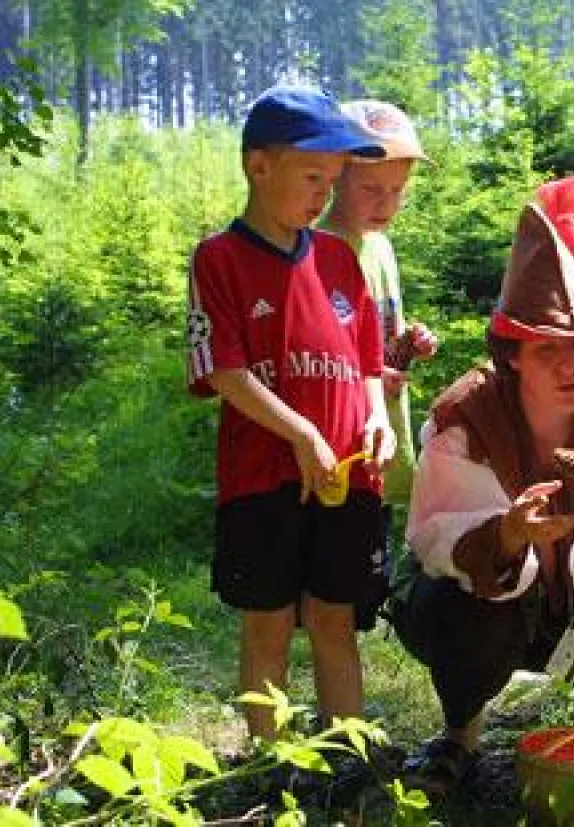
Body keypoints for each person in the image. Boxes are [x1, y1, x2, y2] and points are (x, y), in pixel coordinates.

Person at [391, 174, 574, 799]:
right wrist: (506, 534)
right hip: (481, 611)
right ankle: (462, 733)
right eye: (548, 350)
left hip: (571, 610)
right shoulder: (466, 417)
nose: (571, 365)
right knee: (466, 616)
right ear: (512, 354)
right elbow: (434, 540)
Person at [186, 85, 396, 741]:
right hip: (263, 475)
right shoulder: (219, 257)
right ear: (259, 166)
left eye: (333, 181)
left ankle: (348, 756)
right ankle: (271, 762)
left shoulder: (339, 259)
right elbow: (222, 367)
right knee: (268, 620)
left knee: (335, 618)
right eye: (312, 177)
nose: (323, 196)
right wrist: (300, 430)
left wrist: (380, 418)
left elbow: (365, 359)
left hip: (349, 474)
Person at [320, 100, 439, 508]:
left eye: (397, 191)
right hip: (345, 434)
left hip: (388, 423)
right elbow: (317, 350)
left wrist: (409, 342)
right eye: (371, 189)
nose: (385, 204)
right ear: (335, 178)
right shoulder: (318, 251)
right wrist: (367, 375)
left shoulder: (381, 248)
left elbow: (380, 330)